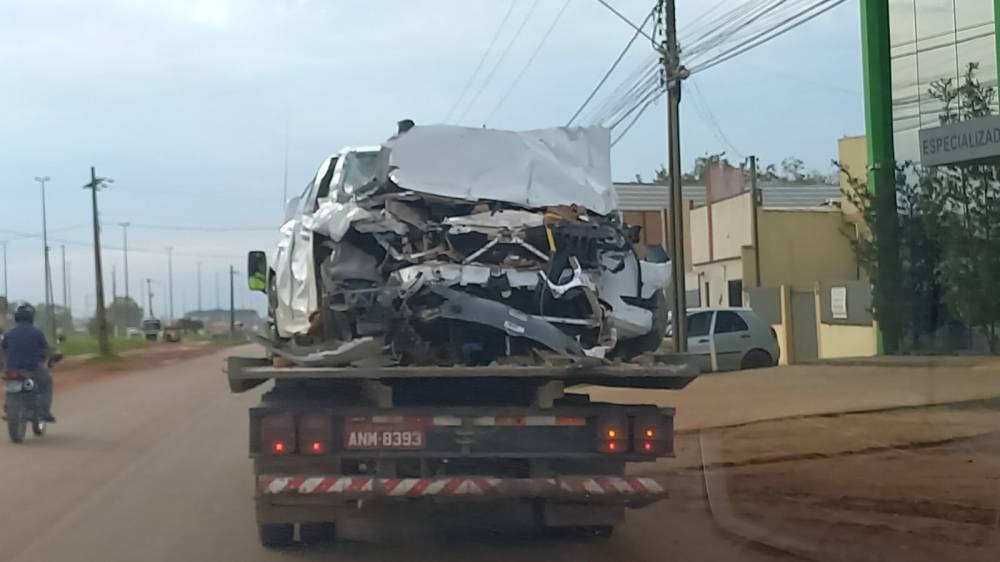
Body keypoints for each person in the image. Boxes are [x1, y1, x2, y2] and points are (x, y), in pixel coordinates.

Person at [1, 304, 55, 422]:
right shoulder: (37, 332)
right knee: (47, 383)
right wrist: (52, 358)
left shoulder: (9, 334)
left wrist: (5, 366)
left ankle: (8, 407)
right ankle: (43, 411)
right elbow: (46, 350)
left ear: (16, 317)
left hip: (13, 370)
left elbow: (3, 350)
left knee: (10, 384)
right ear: (31, 317)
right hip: (33, 368)